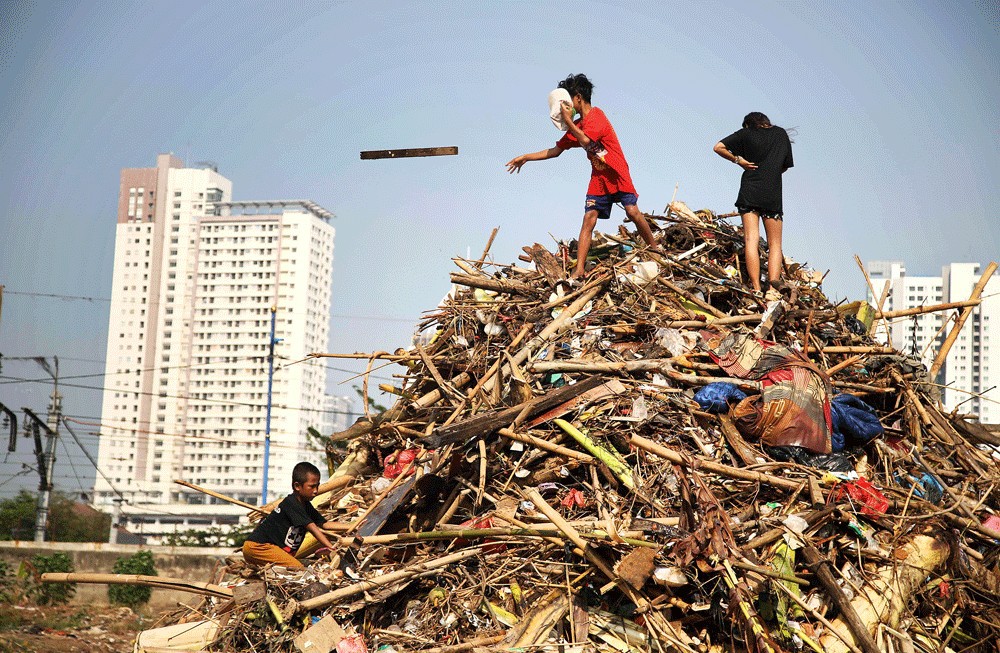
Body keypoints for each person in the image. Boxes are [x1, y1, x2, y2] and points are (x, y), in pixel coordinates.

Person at [506, 74, 658, 279]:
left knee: (632, 211)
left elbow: (586, 140)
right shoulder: (577, 125)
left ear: (578, 98)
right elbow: (555, 151)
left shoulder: (597, 117)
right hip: (599, 178)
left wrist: (568, 120)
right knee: (589, 219)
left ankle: (656, 250)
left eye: (569, 101)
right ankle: (579, 270)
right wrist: (526, 157)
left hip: (617, 172)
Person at [713, 112, 794, 299]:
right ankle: (772, 290)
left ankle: (756, 288)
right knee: (775, 245)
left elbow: (718, 147)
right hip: (772, 193)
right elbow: (785, 166)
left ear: (748, 124)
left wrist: (738, 160)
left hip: (750, 189)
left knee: (751, 240)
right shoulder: (781, 134)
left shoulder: (746, 133)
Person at [242, 461, 338, 568]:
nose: (316, 491)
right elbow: (314, 529)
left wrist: (354, 525)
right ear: (297, 486)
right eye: (312, 486)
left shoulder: (305, 505)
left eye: (317, 486)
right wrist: (333, 549)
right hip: (258, 547)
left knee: (292, 569)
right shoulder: (291, 503)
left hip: (267, 548)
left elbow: (325, 525)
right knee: (298, 568)